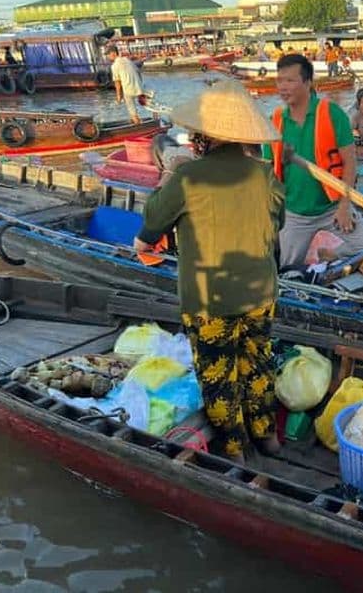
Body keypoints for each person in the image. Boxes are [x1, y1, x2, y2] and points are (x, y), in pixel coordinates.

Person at [133, 80, 284, 463]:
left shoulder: (188, 178)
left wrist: (171, 172)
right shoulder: (264, 175)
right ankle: (267, 437)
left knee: (219, 375)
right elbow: (278, 222)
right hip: (260, 293)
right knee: (258, 363)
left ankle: (235, 450)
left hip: (210, 298)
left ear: (205, 135)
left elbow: (152, 220)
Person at [263, 54, 363, 267]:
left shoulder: (331, 113)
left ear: (308, 83)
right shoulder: (276, 121)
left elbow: (350, 162)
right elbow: (268, 172)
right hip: (294, 213)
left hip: (332, 207)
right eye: (279, 81)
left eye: (290, 80)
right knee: (288, 268)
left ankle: (332, 254)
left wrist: (344, 205)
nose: (283, 87)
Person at [106, 44, 144, 124]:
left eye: (108, 54)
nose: (107, 57)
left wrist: (119, 96)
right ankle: (136, 121)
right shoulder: (127, 60)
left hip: (128, 90)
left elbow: (117, 83)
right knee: (138, 106)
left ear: (113, 53)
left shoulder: (115, 65)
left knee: (132, 111)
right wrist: (140, 85)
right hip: (138, 87)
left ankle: (137, 124)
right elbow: (138, 72)